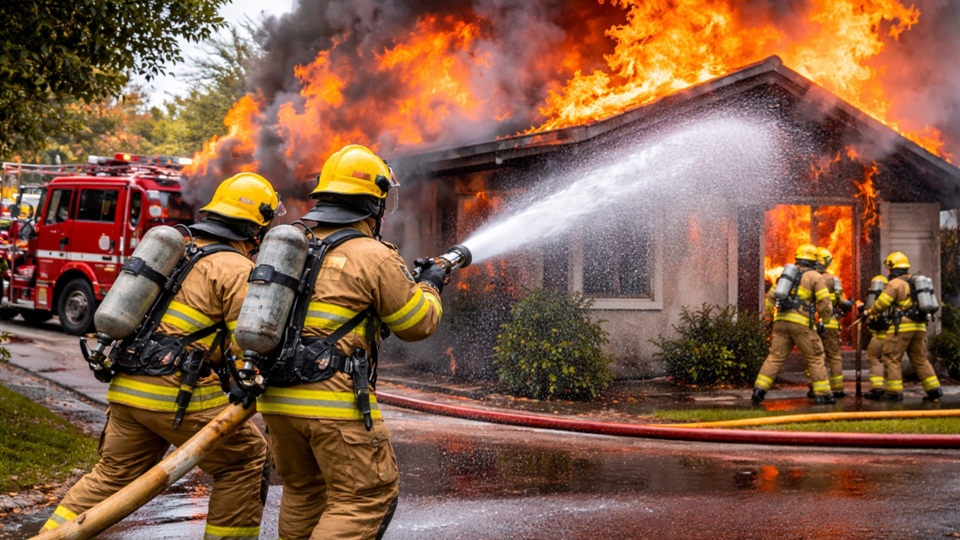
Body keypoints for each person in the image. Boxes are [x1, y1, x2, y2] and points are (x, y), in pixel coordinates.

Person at [43, 173, 283, 539]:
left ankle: (49, 535)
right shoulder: (236, 270)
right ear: (256, 228)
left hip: (127, 388)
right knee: (245, 459)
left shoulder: (176, 253)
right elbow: (250, 344)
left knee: (112, 475)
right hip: (177, 396)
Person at [256, 144, 446, 540]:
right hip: (334, 405)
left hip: (275, 403)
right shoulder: (372, 256)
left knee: (305, 492)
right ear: (374, 204)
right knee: (365, 497)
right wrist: (430, 286)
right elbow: (416, 324)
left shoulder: (291, 246)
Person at [753, 243, 834, 405]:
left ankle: (759, 390)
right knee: (815, 357)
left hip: (781, 323)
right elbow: (825, 302)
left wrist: (769, 317)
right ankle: (823, 394)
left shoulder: (787, 274)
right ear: (813, 260)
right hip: (801, 325)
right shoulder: (815, 276)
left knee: (775, 357)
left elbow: (771, 296)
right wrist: (825, 320)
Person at [866, 252, 942, 402]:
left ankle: (894, 393)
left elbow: (882, 304)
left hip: (902, 328)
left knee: (891, 358)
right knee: (920, 359)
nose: (887, 272)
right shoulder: (915, 281)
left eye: (888, 268)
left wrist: (870, 311)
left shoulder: (895, 284)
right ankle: (934, 390)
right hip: (919, 327)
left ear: (893, 268)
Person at [816, 247, 847, 397]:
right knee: (834, 356)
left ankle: (814, 387)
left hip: (811, 322)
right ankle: (837, 388)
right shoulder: (833, 280)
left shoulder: (806, 278)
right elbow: (840, 302)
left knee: (814, 356)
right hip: (831, 322)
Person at [862, 275, 889, 400]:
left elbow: (871, 312)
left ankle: (877, 388)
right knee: (890, 361)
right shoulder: (892, 296)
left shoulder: (878, 300)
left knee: (873, 357)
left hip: (880, 335)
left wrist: (865, 312)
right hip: (893, 335)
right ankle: (893, 389)